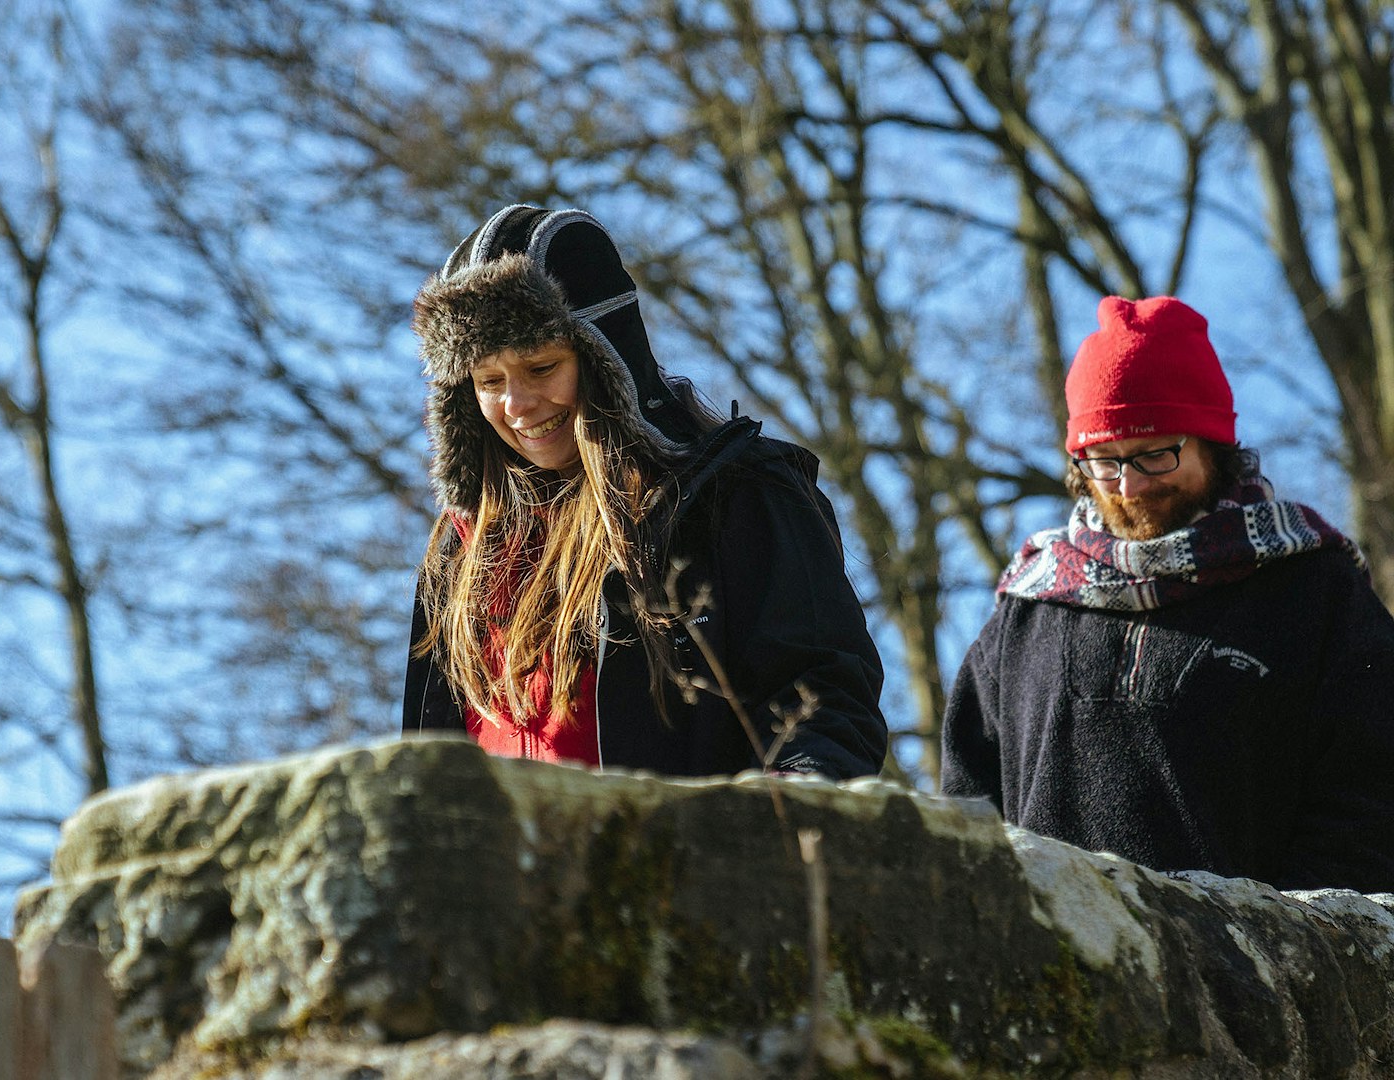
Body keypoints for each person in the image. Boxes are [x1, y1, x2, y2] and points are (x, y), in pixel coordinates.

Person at [401, 205, 887, 779]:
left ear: (609, 359)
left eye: (541, 366)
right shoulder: (463, 550)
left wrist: (772, 837)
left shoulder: (732, 497)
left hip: (685, 861)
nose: (517, 405)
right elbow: (431, 762)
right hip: (510, 865)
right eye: (488, 381)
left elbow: (821, 700)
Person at [942, 295, 1394, 893]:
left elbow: (1371, 798)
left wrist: (1285, 951)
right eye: (1105, 460)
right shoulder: (1029, 606)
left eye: (1156, 453)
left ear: (1213, 443)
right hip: (1048, 972)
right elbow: (969, 813)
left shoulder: (1314, 587)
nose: (1129, 485)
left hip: (1260, 970)